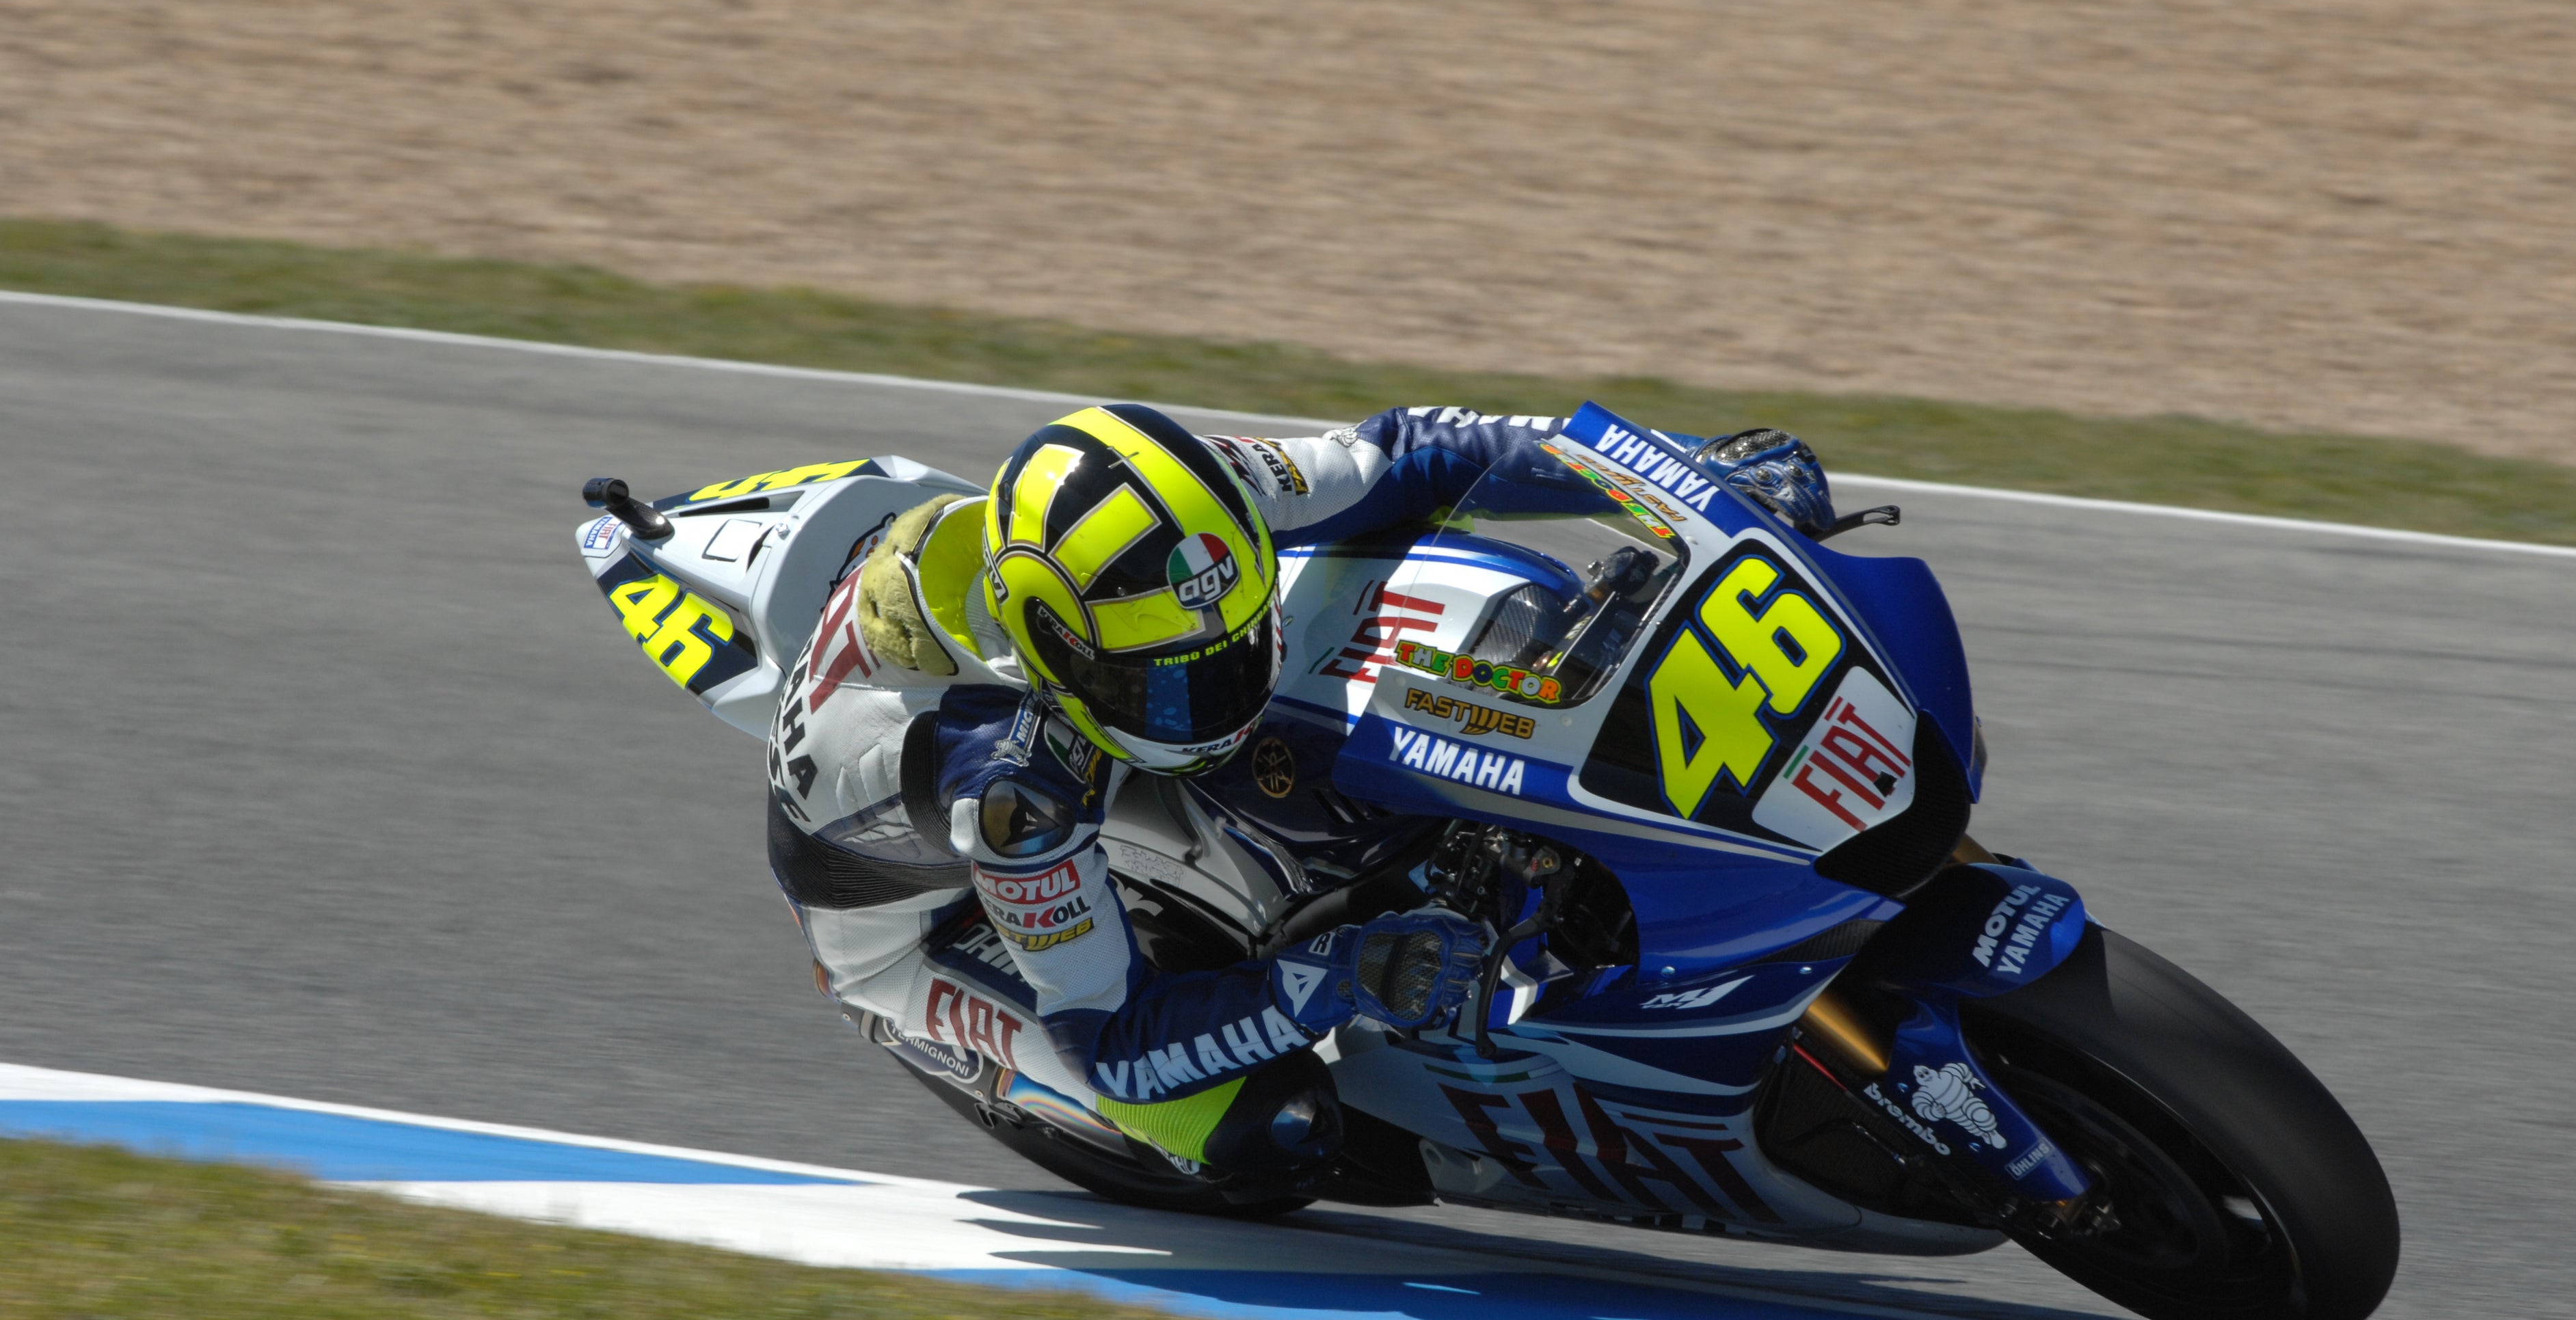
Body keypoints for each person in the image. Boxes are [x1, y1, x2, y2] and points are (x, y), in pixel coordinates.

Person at [765, 401, 1836, 1183]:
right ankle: (965, 1035)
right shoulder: (1017, 793)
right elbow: (1117, 1043)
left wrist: (1681, 476)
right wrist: (1340, 976)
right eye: (1174, 682)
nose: (1220, 698)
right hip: (905, 927)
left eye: (1232, 648)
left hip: (1065, 711)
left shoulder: (1197, 502)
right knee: (1272, 1133)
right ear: (1059, 654)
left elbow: (1413, 451)